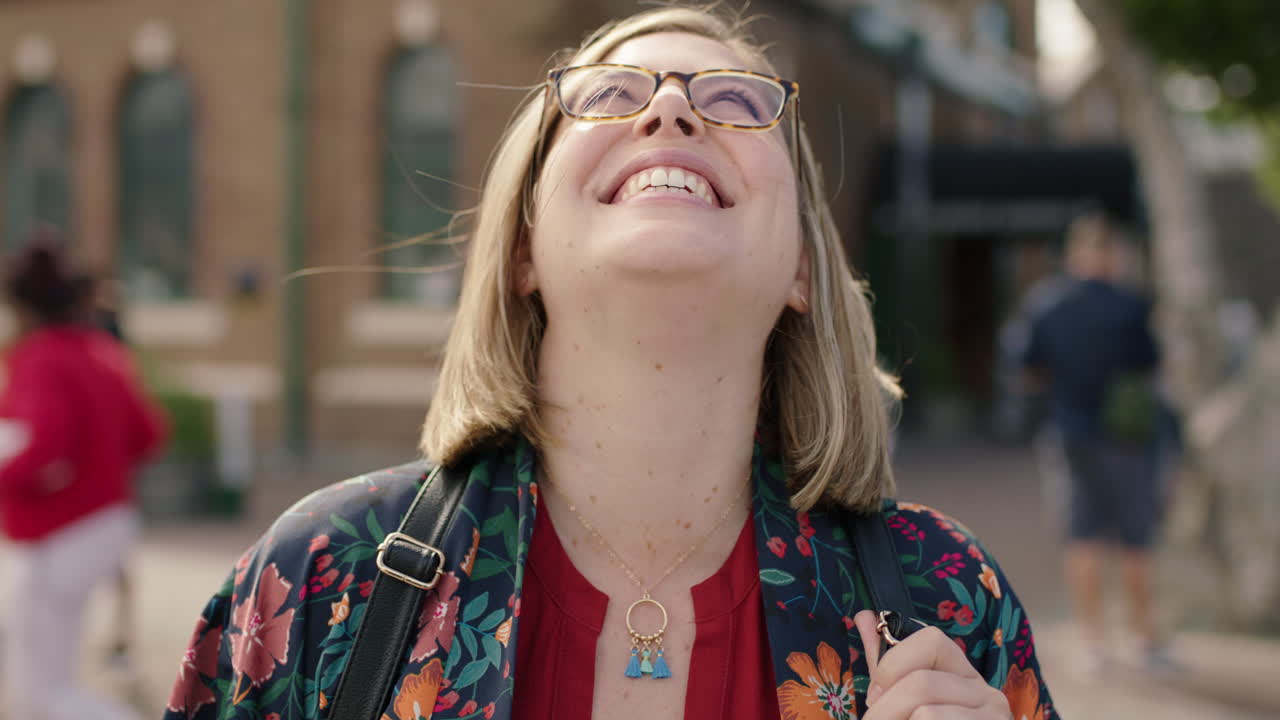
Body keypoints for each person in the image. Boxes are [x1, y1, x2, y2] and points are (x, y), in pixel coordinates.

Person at [165, 7, 1054, 719]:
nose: (670, 109)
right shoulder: (320, 578)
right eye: (609, 94)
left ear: (801, 269)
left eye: (738, 103)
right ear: (523, 249)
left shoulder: (949, 600)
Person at [0, 237, 169, 720]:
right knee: (42, 679)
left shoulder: (39, 359)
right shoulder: (100, 352)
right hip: (104, 522)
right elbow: (147, 434)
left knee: (40, 694)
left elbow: (46, 443)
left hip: (57, 530)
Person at [1018, 212, 1168, 674]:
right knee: (1135, 538)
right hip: (1127, 438)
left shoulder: (1045, 303)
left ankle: (1093, 642)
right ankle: (1144, 641)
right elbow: (1152, 366)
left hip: (1069, 433)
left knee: (1082, 537)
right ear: (1112, 254)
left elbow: (1026, 369)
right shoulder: (1130, 304)